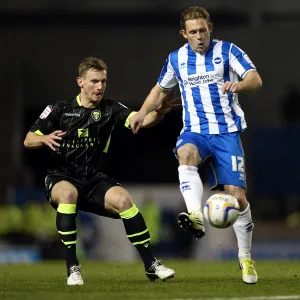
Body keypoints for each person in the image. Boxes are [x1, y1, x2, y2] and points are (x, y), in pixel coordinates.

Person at [129, 6, 262, 284]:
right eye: (193, 32)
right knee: (185, 153)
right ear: (183, 33)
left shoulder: (227, 51)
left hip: (227, 133)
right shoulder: (176, 58)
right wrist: (141, 113)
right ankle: (195, 214)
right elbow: (159, 90)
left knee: (237, 199)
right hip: (195, 131)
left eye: (203, 30)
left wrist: (239, 86)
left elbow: (254, 79)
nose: (199, 36)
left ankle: (245, 257)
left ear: (210, 28)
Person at [23, 57, 176, 285]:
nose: (100, 86)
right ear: (80, 82)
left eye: (103, 81)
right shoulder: (59, 109)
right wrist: (44, 138)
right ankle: (73, 268)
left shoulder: (110, 109)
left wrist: (159, 113)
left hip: (94, 180)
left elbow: (140, 122)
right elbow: (28, 140)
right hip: (62, 177)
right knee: (67, 195)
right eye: (94, 81)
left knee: (124, 200)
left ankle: (151, 265)